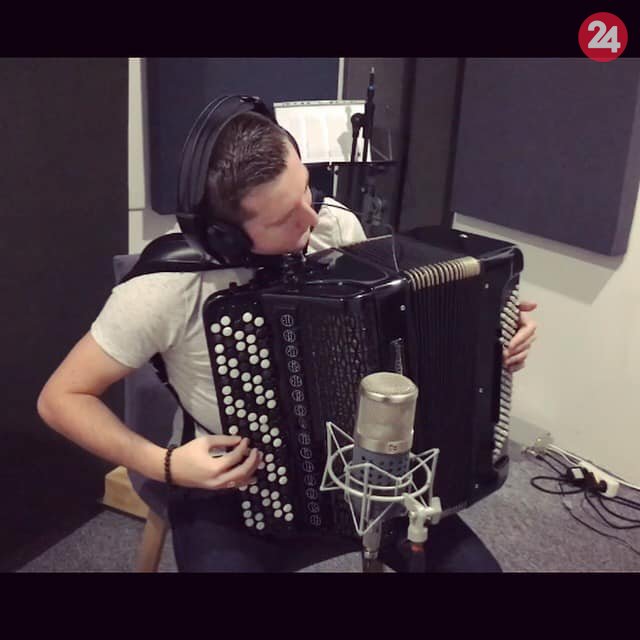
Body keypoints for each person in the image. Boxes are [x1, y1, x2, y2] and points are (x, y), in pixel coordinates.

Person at [37, 100, 538, 572]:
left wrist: (489, 340)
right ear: (227, 234)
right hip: (232, 486)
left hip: (365, 471)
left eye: (306, 188)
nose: (312, 217)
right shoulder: (163, 288)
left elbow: (396, 340)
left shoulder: (334, 227)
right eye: (283, 218)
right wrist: (165, 464)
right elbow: (61, 398)